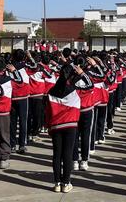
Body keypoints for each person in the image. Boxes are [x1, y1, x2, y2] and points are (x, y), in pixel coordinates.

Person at [45, 63, 81, 194]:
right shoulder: (74, 90)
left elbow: (47, 111)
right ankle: (66, 182)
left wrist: (48, 126)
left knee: (57, 154)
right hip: (70, 125)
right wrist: (80, 74)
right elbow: (89, 86)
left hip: (56, 125)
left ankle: (57, 183)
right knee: (67, 154)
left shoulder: (51, 91)